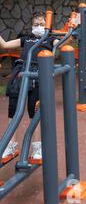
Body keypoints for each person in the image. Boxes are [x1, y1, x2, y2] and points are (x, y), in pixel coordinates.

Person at [0, 11, 61, 161]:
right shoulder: (26, 39)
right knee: (13, 111)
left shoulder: (50, 39)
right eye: (35, 24)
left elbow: (61, 44)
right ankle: (11, 144)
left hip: (38, 74)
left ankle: (37, 146)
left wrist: (71, 32)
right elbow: (5, 45)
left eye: (41, 24)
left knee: (35, 112)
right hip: (21, 73)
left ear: (47, 26)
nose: (38, 27)